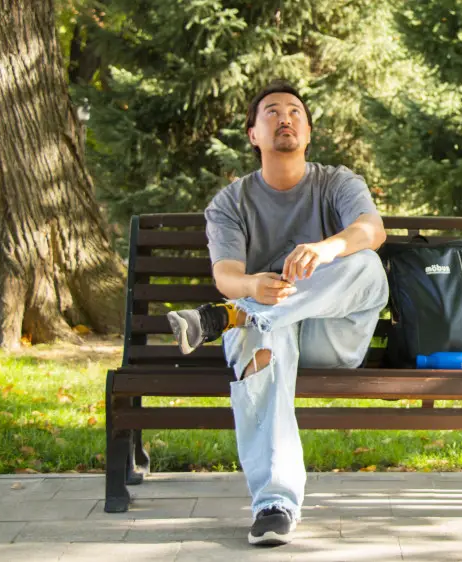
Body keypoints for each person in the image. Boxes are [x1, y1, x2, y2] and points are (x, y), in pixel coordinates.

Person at [166, 81, 388, 546]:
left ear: (307, 133)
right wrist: (251, 287)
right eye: (272, 111)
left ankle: (230, 316)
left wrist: (326, 250)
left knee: (368, 266)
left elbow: (372, 229)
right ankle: (274, 504)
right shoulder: (231, 202)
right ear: (253, 134)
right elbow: (227, 273)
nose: (285, 117)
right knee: (263, 343)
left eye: (295, 111)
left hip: (331, 337)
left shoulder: (337, 183)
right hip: (273, 332)